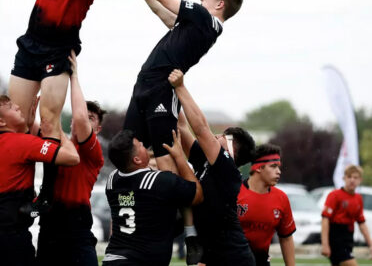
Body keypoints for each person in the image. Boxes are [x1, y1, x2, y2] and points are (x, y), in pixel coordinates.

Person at [117, 0, 243, 174]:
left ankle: (168, 208)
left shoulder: (205, 19)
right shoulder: (197, 25)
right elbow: (158, 7)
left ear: (220, 3)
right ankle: (135, 199)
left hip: (162, 88)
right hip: (145, 83)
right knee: (128, 148)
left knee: (163, 154)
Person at [9, 0, 128, 140]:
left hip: (58, 52)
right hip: (28, 46)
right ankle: (19, 173)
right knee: (16, 121)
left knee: (48, 123)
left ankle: (51, 174)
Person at [0, 94, 79, 266]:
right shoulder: (22, 143)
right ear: (0, 122)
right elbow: (72, 157)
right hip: (10, 236)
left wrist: (28, 124)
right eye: (9, 107)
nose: (16, 106)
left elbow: (12, 149)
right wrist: (55, 129)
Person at [169, 68, 256, 266]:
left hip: (234, 259)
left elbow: (200, 128)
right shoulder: (206, 161)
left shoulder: (228, 170)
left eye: (223, 137)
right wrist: (169, 92)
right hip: (211, 255)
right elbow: (182, 127)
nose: (216, 137)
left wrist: (180, 86)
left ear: (232, 150)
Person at [35, 51, 105, 265]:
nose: (82, 117)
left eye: (92, 117)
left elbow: (80, 118)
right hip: (49, 225)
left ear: (98, 128)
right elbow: (30, 126)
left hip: (77, 227)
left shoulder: (93, 152)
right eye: (83, 114)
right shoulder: (58, 142)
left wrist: (74, 76)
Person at [102, 129, 203, 266]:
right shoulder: (158, 182)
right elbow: (197, 195)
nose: (143, 144)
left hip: (112, 259)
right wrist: (179, 157)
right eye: (140, 146)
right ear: (136, 159)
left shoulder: (112, 180)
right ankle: (190, 234)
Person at [237, 143, 296, 266]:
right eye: (273, 166)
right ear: (259, 167)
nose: (278, 172)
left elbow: (286, 238)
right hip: (232, 259)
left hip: (261, 260)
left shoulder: (281, 198)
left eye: (279, 167)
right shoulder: (234, 193)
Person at [321, 164, 372, 266]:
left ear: (360, 180)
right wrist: (325, 244)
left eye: (355, 177)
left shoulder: (358, 198)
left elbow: (361, 223)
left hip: (348, 238)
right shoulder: (334, 195)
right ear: (344, 178)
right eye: (349, 177)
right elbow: (325, 219)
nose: (352, 180)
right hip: (335, 238)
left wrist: (370, 244)